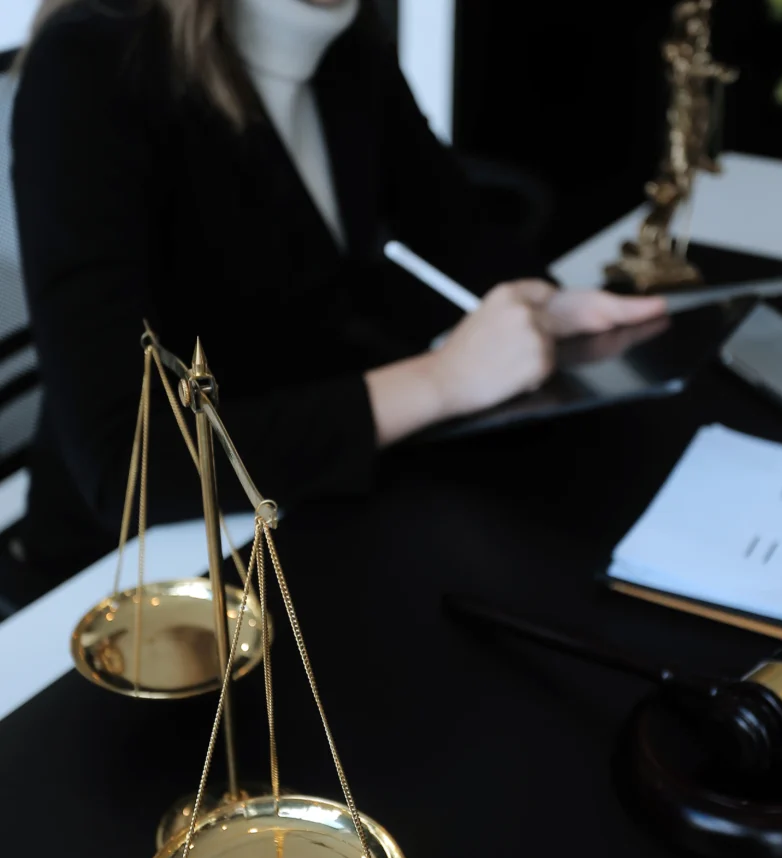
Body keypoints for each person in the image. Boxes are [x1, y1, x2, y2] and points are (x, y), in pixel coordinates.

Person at [12, 0, 665, 584]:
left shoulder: (342, 33)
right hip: (141, 568)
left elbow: (448, 224)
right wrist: (441, 381)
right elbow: (130, 461)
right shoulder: (89, 63)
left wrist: (538, 304)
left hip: (313, 494)